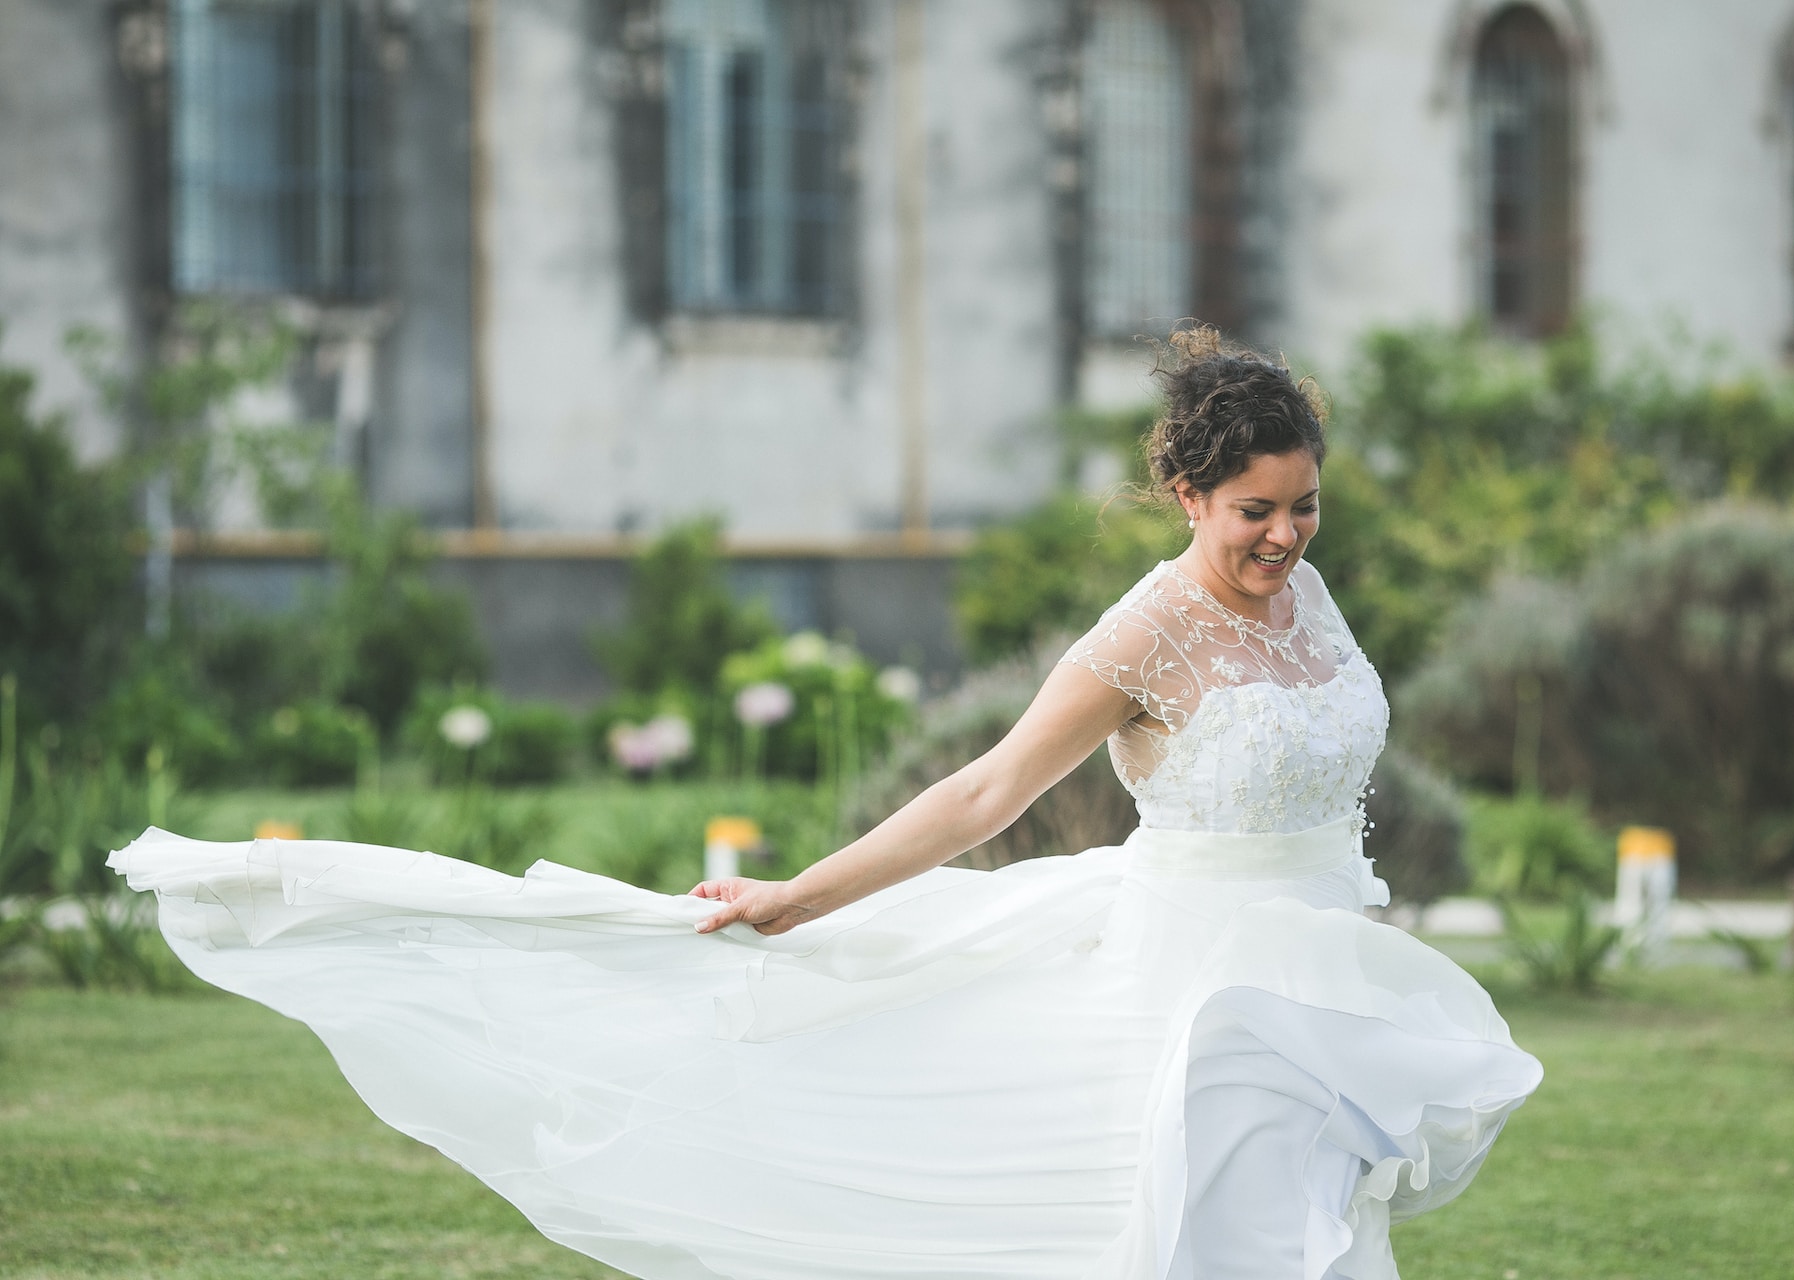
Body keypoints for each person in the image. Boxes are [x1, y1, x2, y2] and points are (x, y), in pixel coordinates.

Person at [113, 327, 1541, 1280]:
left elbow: (1320, 760)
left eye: (1305, 509)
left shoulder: (1304, 591)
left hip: (1320, 973)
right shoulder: (1141, 638)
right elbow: (983, 788)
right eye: (1255, 515)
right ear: (1185, 494)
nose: (1286, 539)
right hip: (1202, 999)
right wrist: (795, 897)